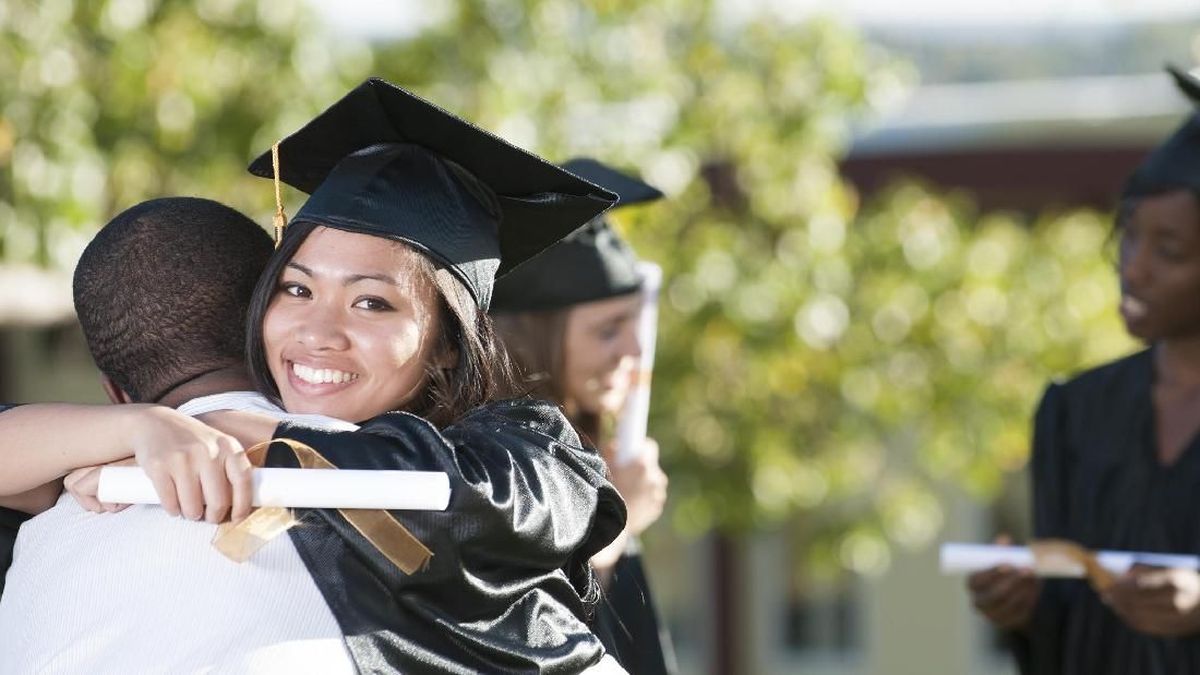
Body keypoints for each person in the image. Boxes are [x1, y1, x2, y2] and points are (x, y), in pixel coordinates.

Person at [4, 78, 628, 673]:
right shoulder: (118, 474)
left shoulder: (516, 451)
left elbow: (503, 503)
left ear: (446, 343)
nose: (318, 331)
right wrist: (138, 428)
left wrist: (241, 430)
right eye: (297, 288)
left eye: (372, 302)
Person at [0, 196, 364, 673]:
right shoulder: (399, 471)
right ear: (271, 326)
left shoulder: (70, 490)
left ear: (113, 392)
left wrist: (137, 427)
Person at [967, 64, 1200, 674]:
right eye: (1128, 239)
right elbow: (1064, 631)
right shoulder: (1077, 412)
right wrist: (1021, 608)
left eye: (1169, 251)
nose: (1134, 268)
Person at [490, 158, 676, 674]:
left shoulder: (578, 451)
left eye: (636, 325)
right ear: (533, 338)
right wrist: (617, 527)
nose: (636, 350)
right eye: (608, 329)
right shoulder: (497, 462)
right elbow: (512, 629)